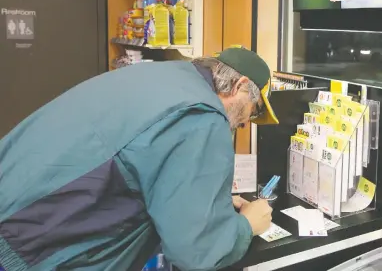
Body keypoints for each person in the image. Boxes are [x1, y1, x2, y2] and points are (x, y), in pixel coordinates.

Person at [0, 46, 278, 271]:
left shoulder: (164, 77)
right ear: (239, 86)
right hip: (30, 249)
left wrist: (205, 200)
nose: (245, 123)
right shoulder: (202, 116)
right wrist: (247, 226)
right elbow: (196, 251)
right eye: (252, 112)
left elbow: (138, 158)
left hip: (18, 208)